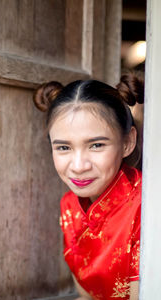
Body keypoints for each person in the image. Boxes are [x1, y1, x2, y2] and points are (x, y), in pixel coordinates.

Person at [33, 72, 144, 300]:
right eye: (64, 148)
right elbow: (87, 296)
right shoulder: (69, 206)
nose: (78, 166)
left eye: (96, 145)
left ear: (127, 143)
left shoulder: (147, 206)